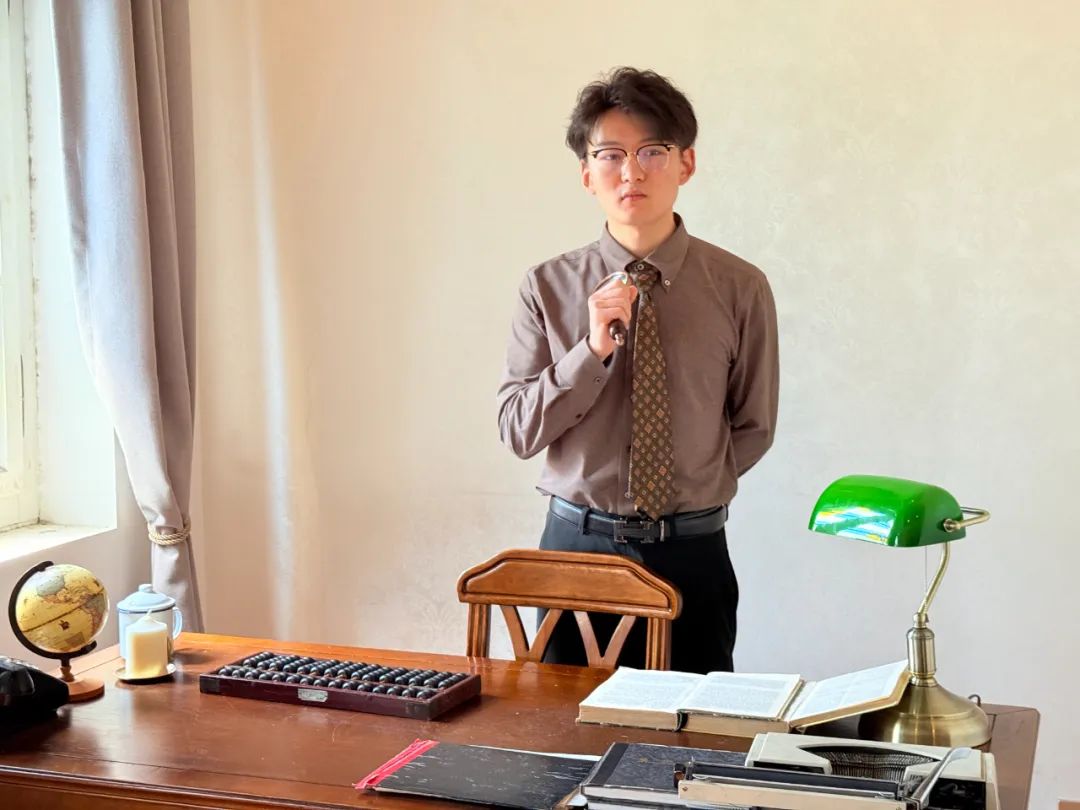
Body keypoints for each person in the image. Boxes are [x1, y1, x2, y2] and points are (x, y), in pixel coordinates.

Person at [497, 67, 778, 674]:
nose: (632, 172)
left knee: (694, 726)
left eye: (652, 151)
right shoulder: (546, 287)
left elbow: (754, 424)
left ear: (686, 164)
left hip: (694, 555)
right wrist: (590, 350)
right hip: (576, 553)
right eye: (611, 155)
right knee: (562, 726)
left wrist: (689, 490)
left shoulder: (740, 287)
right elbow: (518, 429)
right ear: (586, 173)